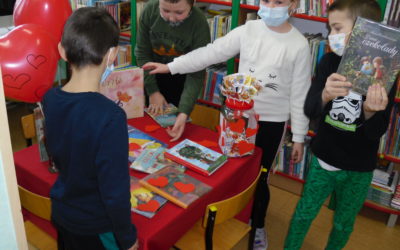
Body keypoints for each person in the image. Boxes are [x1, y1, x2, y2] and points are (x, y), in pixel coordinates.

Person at [143, 0, 311, 248]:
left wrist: (298, 136)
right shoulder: (248, 30)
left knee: (259, 178)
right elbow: (209, 53)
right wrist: (170, 66)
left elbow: (300, 92)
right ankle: (227, 214)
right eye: (266, 0)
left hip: (271, 123)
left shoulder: (298, 45)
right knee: (231, 170)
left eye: (279, 1)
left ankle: (258, 225)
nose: (271, 6)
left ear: (293, 4)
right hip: (236, 118)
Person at [284, 1, 396, 249]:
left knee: (344, 223)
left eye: (336, 28)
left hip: (360, 167)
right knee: (304, 213)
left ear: (362, 32)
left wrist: (368, 111)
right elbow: (310, 109)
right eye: (329, 28)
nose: (330, 36)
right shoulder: (328, 62)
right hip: (324, 159)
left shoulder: (385, 73)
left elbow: (377, 131)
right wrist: (324, 94)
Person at [42, 7, 138, 250]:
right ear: (112, 54)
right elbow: (115, 193)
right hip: (96, 227)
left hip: (64, 215)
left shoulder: (50, 99)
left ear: (62, 51)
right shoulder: (111, 117)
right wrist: (127, 239)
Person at [135, 0, 210, 141]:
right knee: (146, 129)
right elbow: (142, 54)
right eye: (165, 10)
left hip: (181, 79)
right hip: (150, 74)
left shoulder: (199, 23)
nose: (171, 18)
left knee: (173, 127)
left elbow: (197, 73)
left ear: (192, 4)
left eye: (179, 12)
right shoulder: (149, 11)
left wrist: (184, 112)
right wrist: (153, 91)